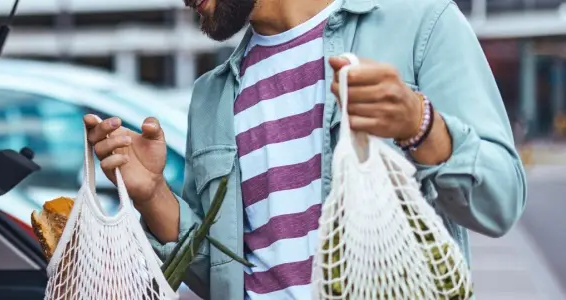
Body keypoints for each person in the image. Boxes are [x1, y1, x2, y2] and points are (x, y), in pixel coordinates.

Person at [84, 0, 527, 299]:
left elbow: (499, 201)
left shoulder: (420, 24)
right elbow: (224, 275)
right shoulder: (211, 97)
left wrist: (420, 124)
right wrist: (152, 194)